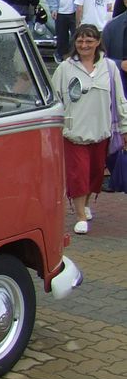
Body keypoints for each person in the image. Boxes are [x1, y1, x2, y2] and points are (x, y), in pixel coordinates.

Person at [50, 24, 127, 234]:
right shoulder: (65, 68)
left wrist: (125, 128)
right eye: (80, 41)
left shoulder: (110, 68)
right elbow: (54, 99)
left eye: (89, 41)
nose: (84, 45)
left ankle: (84, 204)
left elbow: (120, 101)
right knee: (78, 173)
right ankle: (80, 216)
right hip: (74, 132)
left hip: (101, 132)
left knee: (94, 175)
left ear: (97, 43)